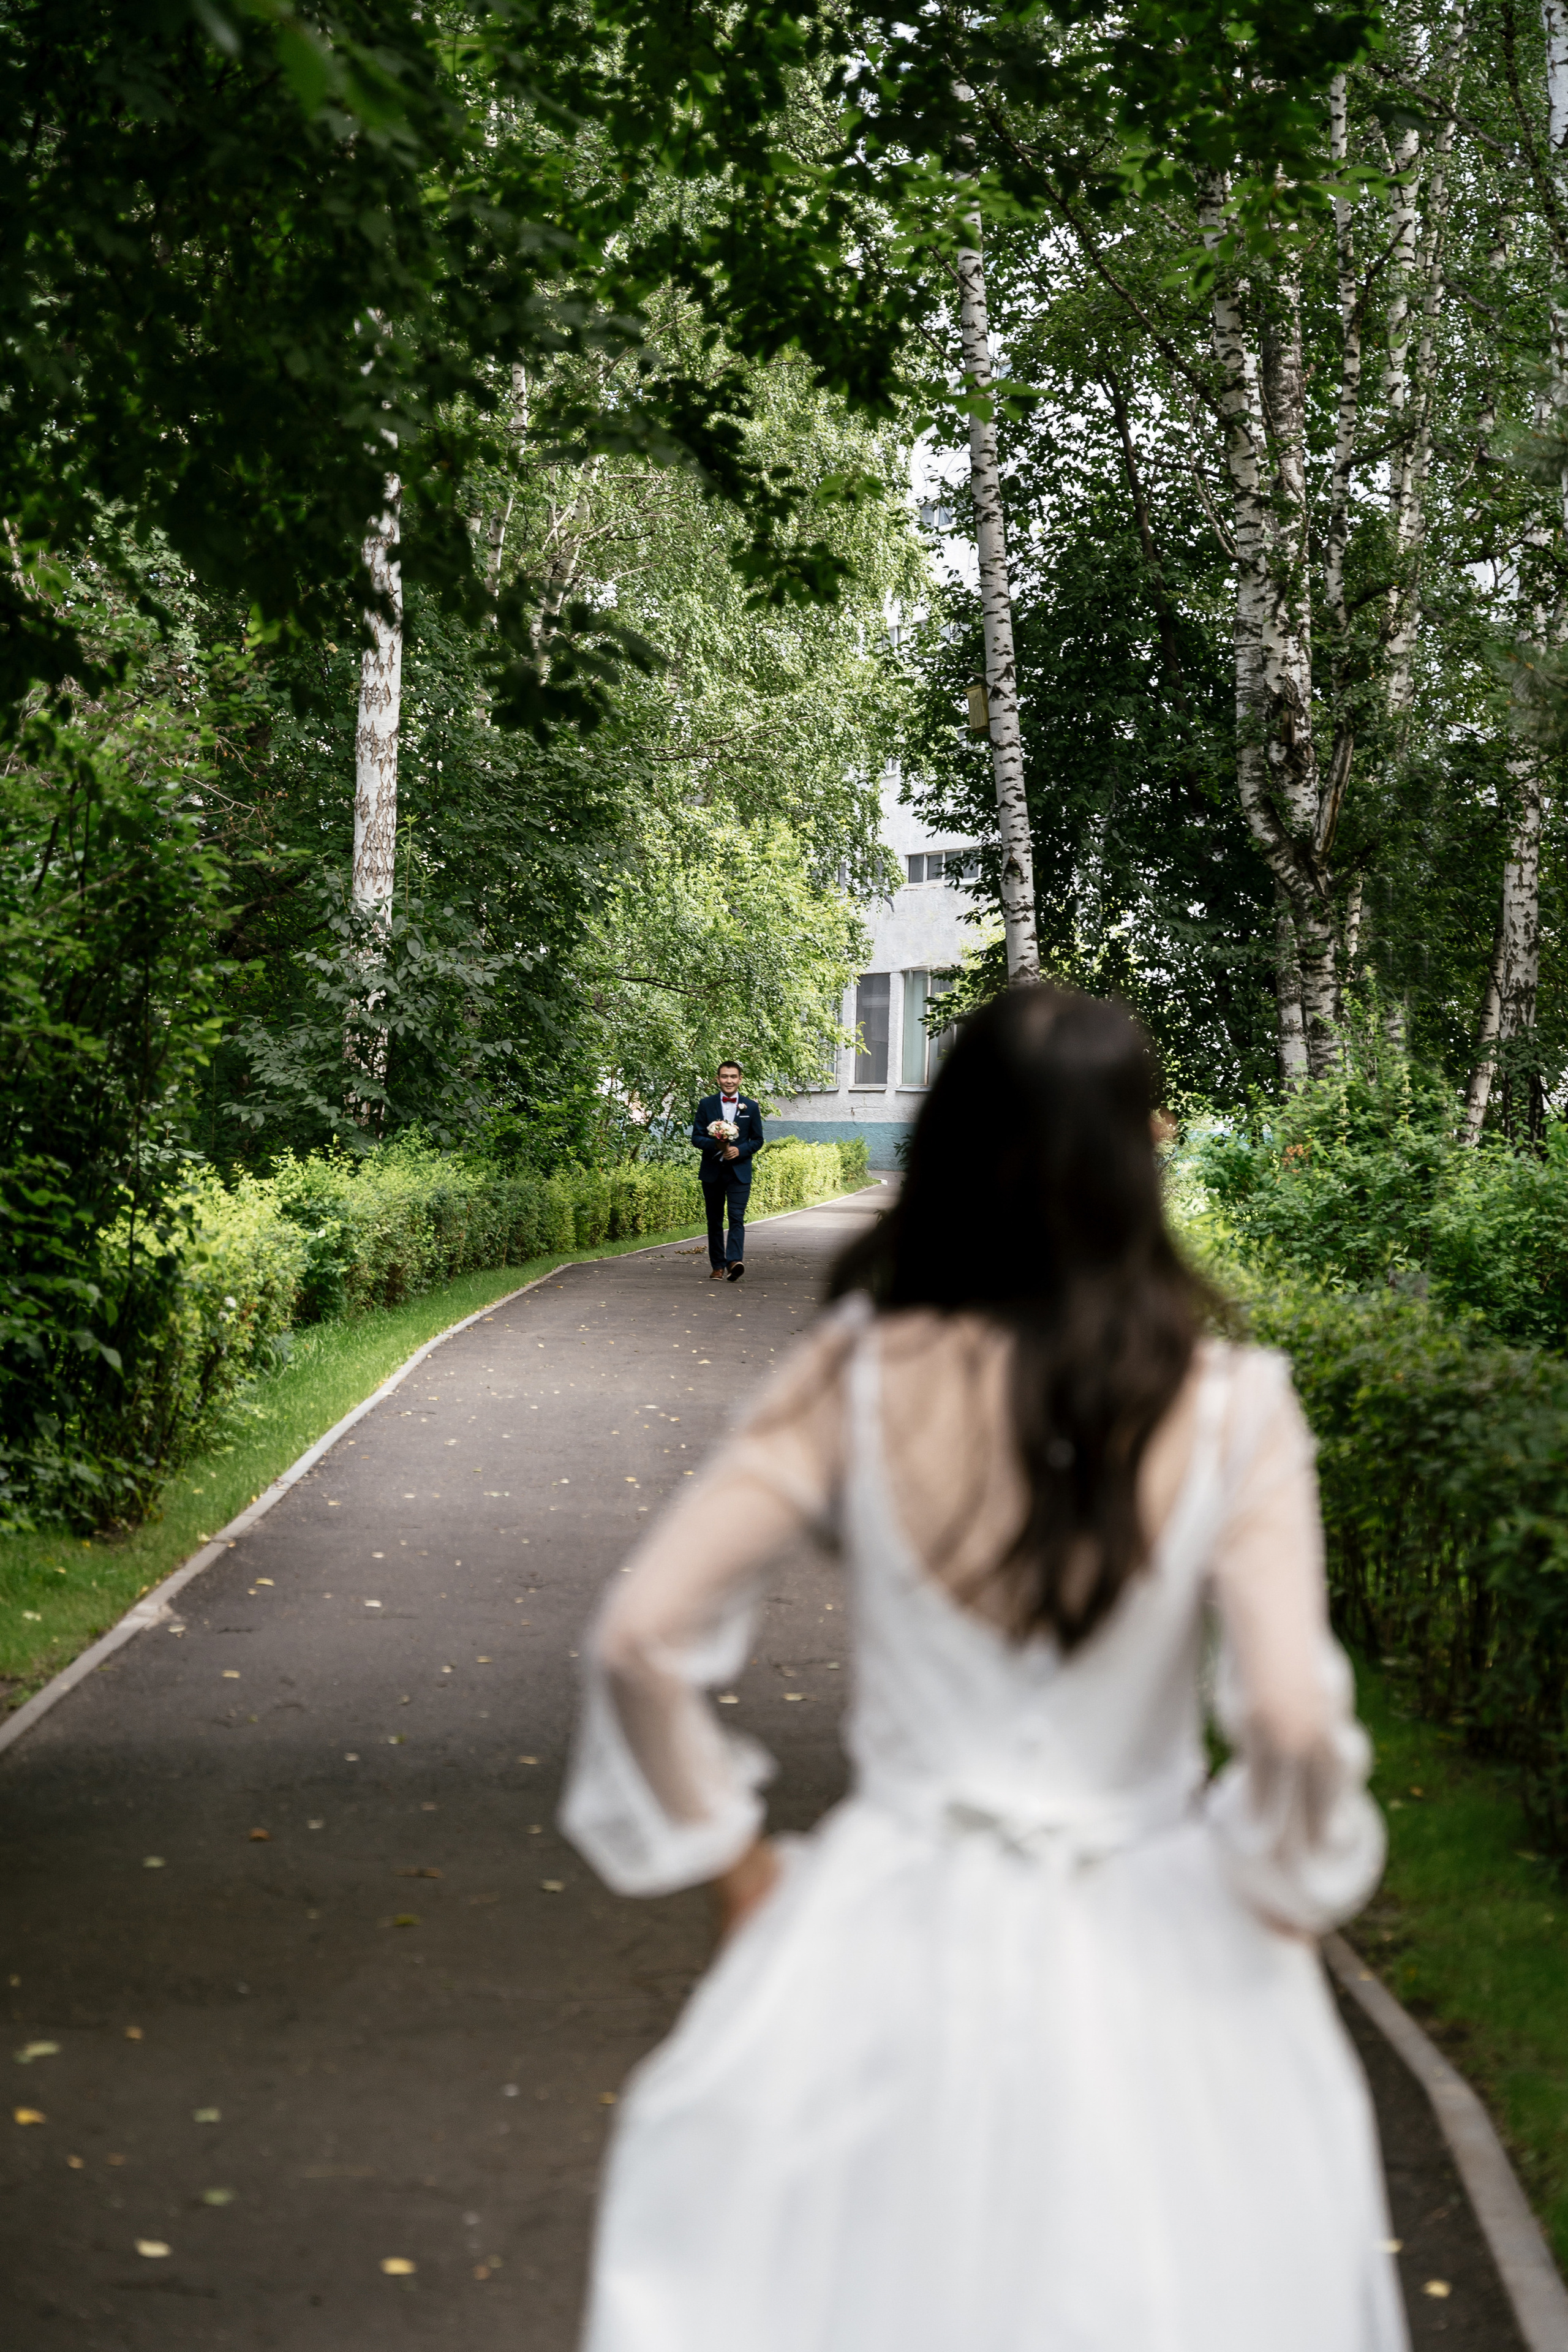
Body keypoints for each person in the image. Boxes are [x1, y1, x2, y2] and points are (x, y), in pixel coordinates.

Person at [562, 987, 1403, 2352]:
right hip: (1162, 1944)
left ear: (947, 1150)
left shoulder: (854, 1376)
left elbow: (637, 1638)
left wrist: (735, 1860)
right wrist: (1276, 1884)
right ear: (1142, 1152)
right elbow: (1294, 1720)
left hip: (888, 1929)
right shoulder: (1233, 1405)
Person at [690, 1059, 764, 1282]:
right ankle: (717, 1266)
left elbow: (758, 1140)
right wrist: (716, 1145)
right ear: (717, 1079)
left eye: (733, 1077)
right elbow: (696, 1137)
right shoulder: (706, 1104)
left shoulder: (750, 1106)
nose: (729, 1081)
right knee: (714, 1220)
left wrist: (739, 1151)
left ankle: (734, 1262)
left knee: (736, 1218)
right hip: (712, 1171)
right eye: (724, 1077)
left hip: (739, 1173)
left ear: (740, 1079)